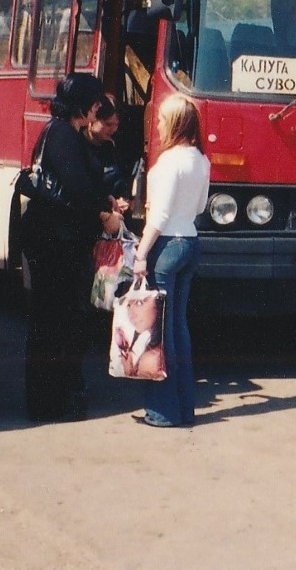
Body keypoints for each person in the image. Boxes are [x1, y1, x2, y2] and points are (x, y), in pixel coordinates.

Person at [21, 72, 118, 422]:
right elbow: (75, 187)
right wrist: (104, 214)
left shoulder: (61, 131)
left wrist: (102, 196)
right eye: (96, 104)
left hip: (54, 238)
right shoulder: (64, 134)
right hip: (54, 240)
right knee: (52, 321)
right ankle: (48, 403)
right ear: (88, 106)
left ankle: (50, 398)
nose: (98, 110)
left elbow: (78, 181)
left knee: (53, 320)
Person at [130, 93, 211, 428]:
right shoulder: (200, 161)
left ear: (175, 123)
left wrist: (141, 254)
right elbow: (200, 208)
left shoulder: (167, 163)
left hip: (165, 246)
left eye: (162, 119)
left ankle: (162, 412)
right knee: (178, 328)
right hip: (190, 243)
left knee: (158, 334)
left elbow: (159, 215)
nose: (158, 125)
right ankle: (183, 408)